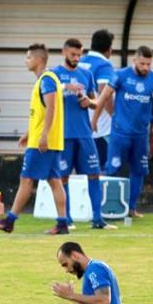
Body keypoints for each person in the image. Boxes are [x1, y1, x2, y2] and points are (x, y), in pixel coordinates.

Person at [0, 43, 70, 235]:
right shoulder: (46, 80)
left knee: (26, 179)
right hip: (49, 140)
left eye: (28, 57)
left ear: (39, 60)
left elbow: (52, 108)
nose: (26, 61)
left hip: (44, 143)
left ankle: (9, 221)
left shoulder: (47, 80)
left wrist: (43, 136)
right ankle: (63, 224)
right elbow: (41, 113)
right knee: (55, 181)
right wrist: (30, 133)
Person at [91, 46, 153, 218]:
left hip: (141, 135)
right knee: (112, 169)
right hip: (119, 134)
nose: (145, 67)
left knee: (139, 171)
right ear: (134, 60)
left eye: (148, 64)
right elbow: (104, 97)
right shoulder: (121, 75)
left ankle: (131, 208)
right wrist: (94, 120)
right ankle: (104, 209)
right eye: (142, 63)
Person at [52, 38, 116, 230]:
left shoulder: (86, 74)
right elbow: (45, 98)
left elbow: (96, 102)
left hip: (84, 133)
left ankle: (98, 219)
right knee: (63, 177)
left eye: (79, 55)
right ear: (64, 52)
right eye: (73, 54)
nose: (76, 58)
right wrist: (64, 88)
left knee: (94, 174)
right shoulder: (53, 74)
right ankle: (67, 219)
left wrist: (87, 100)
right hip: (63, 134)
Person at [78, 29, 116, 171]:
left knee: (82, 171)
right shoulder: (104, 65)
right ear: (109, 49)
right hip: (101, 129)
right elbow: (104, 94)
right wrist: (116, 116)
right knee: (101, 171)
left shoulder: (80, 62)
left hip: (81, 126)